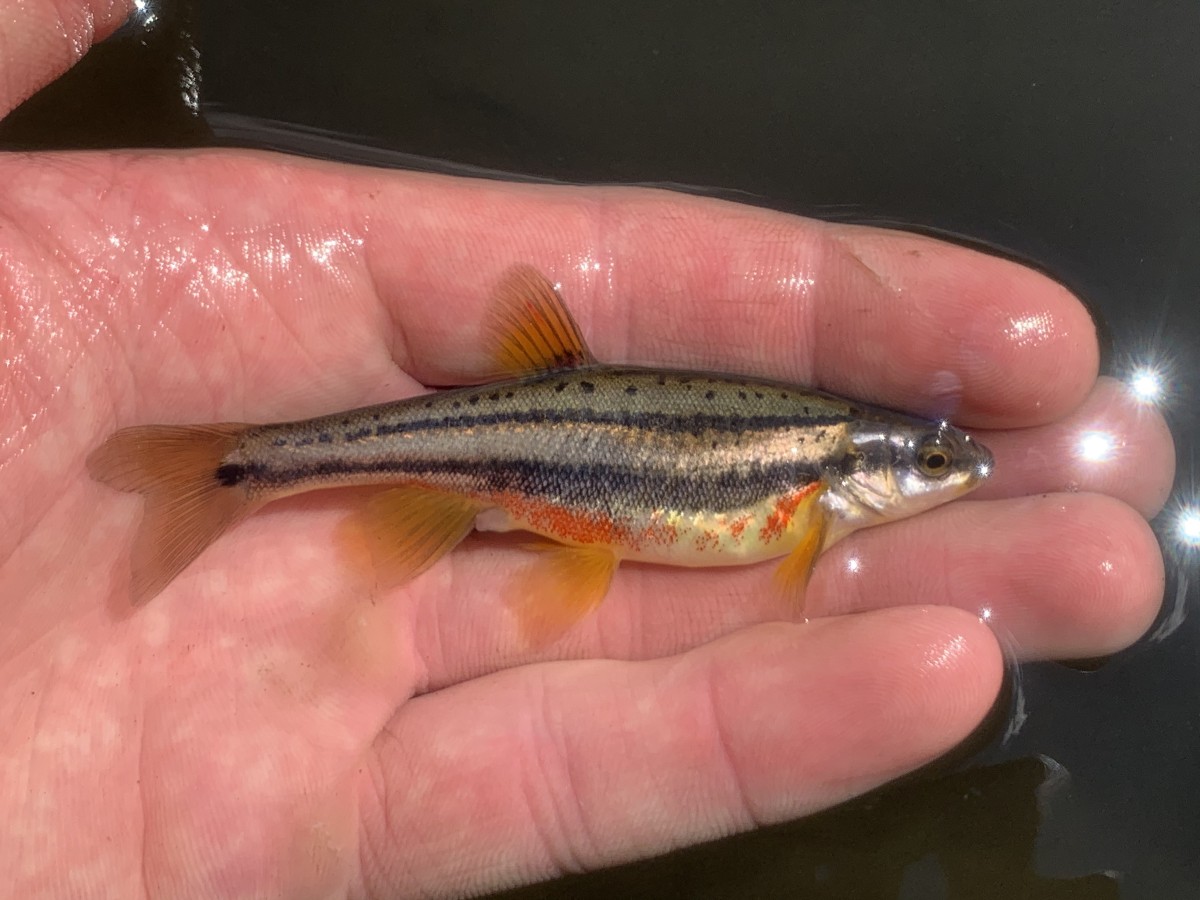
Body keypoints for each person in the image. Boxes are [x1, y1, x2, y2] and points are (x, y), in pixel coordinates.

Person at [0, 4, 1173, 897]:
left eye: (929, 466)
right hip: (523, 462)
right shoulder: (816, 482)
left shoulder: (820, 470)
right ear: (856, 464)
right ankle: (242, 464)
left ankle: (249, 464)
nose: (945, 477)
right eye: (924, 464)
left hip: (527, 461)